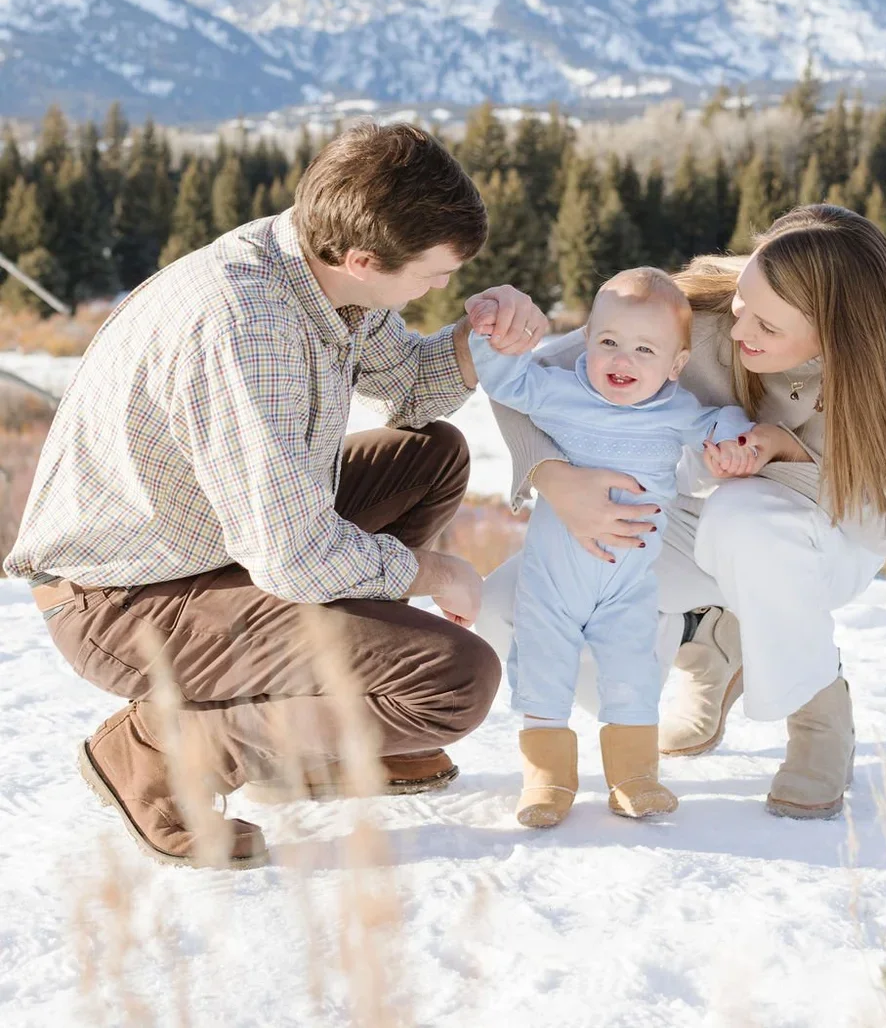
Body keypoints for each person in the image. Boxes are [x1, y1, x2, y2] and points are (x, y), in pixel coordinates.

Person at [4, 122, 548, 869]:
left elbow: (412, 390)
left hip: (214, 547)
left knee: (431, 456)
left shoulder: (313, 261)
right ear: (363, 259)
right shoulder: (247, 325)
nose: (439, 288)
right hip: (125, 602)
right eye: (430, 276)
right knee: (455, 682)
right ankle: (160, 751)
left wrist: (478, 335)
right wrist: (429, 572)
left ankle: (332, 728)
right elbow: (294, 556)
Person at [478, 205, 886, 820]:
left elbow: (884, 526)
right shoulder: (694, 316)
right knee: (504, 613)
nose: (737, 331)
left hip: (823, 546)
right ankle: (705, 638)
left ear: (836, 332)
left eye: (766, 326)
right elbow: (531, 380)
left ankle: (818, 711)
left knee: (744, 513)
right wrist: (556, 478)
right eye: (741, 304)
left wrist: (786, 454)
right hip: (691, 528)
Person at [468, 267, 765, 828]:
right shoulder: (560, 393)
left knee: (632, 676)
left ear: (676, 365)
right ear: (586, 340)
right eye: (608, 342)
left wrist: (732, 445)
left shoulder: (677, 411)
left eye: (644, 349)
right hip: (551, 585)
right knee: (544, 675)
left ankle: (635, 779)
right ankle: (546, 781)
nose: (621, 360)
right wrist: (491, 336)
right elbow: (510, 384)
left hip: (630, 586)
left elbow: (715, 429)